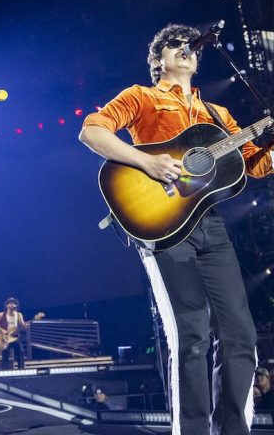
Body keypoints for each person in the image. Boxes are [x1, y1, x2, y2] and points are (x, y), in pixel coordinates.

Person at [79, 23, 274, 435]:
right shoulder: (141, 96)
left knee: (241, 337)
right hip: (163, 225)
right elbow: (92, 131)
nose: (185, 48)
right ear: (158, 60)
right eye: (174, 44)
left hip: (211, 226)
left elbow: (255, 164)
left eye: (190, 45)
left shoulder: (218, 116)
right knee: (191, 337)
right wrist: (147, 162)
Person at [0, 297, 26, 369]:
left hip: (15, 337)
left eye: (14, 303)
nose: (12, 304)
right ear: (7, 305)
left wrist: (25, 326)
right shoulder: (1, 314)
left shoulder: (19, 315)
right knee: (5, 355)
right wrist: (2, 330)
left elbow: (22, 326)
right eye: (11, 303)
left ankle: (21, 370)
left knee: (21, 352)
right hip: (6, 337)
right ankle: (5, 372)